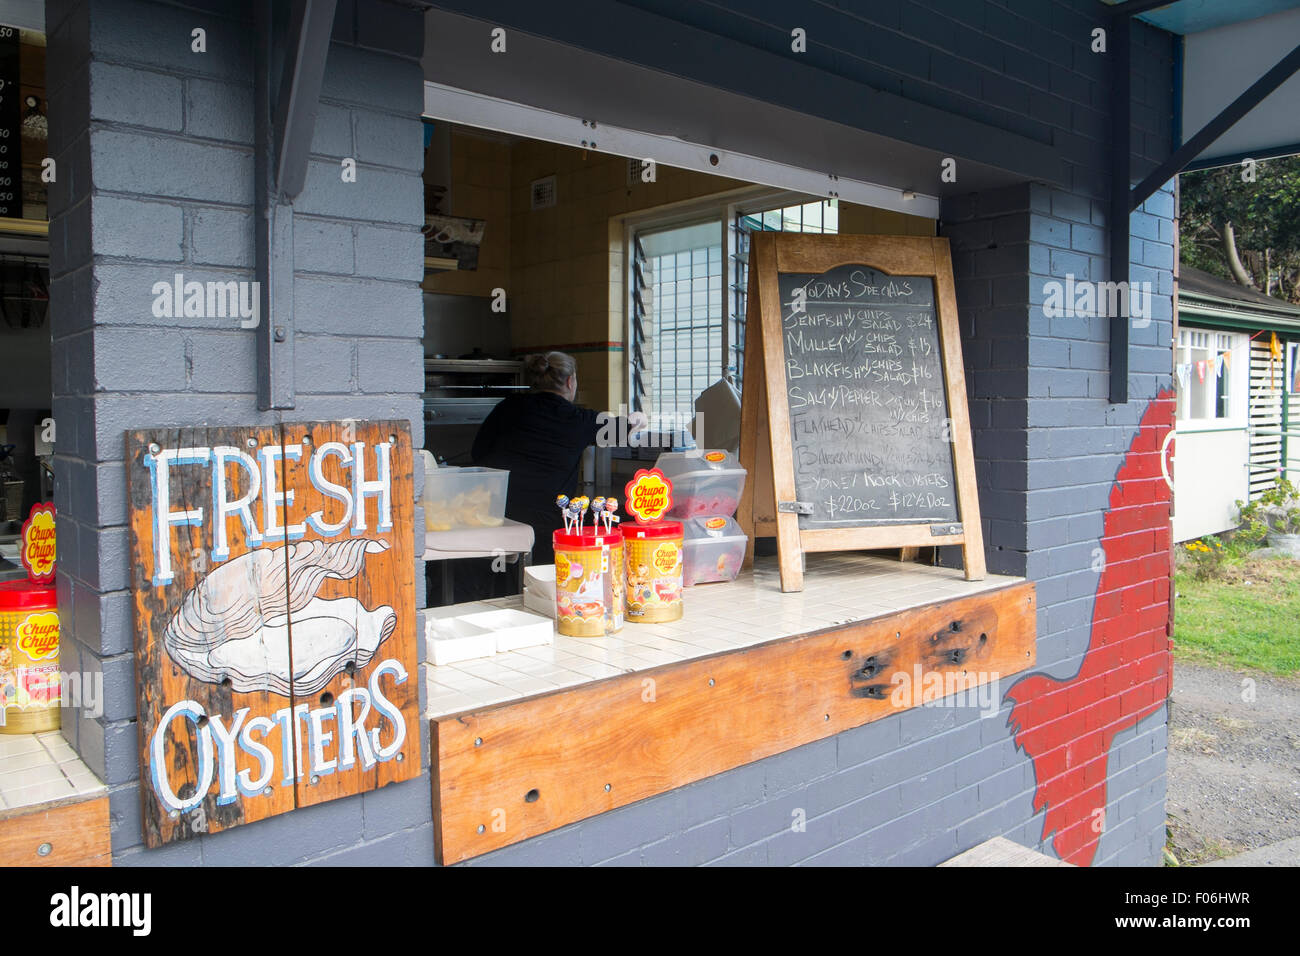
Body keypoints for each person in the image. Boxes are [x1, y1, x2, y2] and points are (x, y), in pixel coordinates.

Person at [472, 351, 647, 566]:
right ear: (570, 381)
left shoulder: (508, 406)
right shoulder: (579, 420)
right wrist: (638, 418)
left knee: (499, 582)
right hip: (546, 523)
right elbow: (628, 428)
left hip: (495, 515)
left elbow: (478, 453)